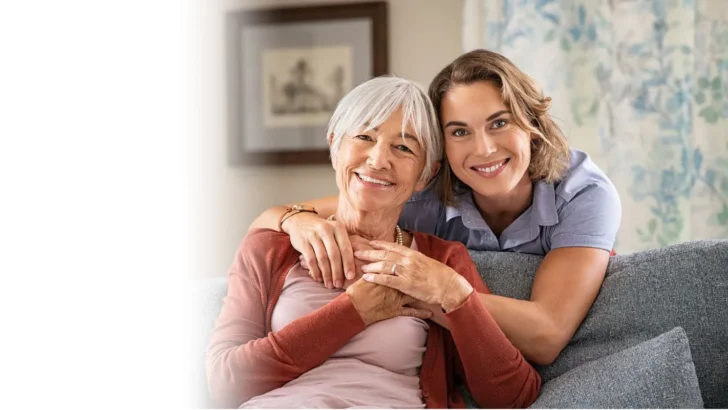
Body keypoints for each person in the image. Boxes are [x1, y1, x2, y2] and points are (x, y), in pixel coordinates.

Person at [247, 49, 622, 365]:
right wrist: (297, 220)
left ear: (533, 125)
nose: (484, 149)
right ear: (440, 150)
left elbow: (547, 335)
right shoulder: (424, 196)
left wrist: (442, 287)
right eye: (460, 132)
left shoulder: (583, 193)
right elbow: (268, 221)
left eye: (499, 123)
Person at [206, 76, 541, 408]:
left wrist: (457, 296)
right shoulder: (271, 247)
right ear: (335, 146)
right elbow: (226, 383)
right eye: (365, 137)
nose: (379, 159)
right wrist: (355, 311)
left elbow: (512, 397)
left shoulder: (441, 262)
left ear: (425, 174)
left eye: (404, 147)